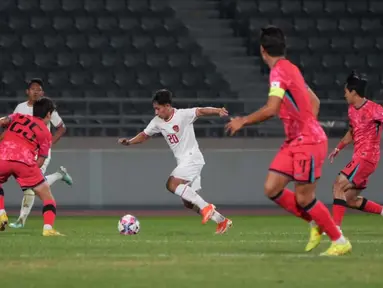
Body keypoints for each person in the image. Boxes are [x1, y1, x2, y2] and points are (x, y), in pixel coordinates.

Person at [225, 26, 351, 256]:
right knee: (272, 188)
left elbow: (272, 109)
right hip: (295, 140)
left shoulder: (279, 73)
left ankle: (339, 240)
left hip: (308, 141)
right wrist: (304, 122)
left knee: (304, 197)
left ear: (262, 51)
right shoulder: (291, 68)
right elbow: (315, 101)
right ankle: (316, 223)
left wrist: (243, 120)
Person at [118, 89, 232, 234]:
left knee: (171, 184)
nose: (156, 112)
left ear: (167, 106)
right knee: (188, 202)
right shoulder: (157, 122)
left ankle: (206, 207)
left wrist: (218, 111)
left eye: (158, 108)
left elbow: (201, 111)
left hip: (192, 158)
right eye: (155, 109)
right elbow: (144, 135)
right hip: (184, 162)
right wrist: (129, 142)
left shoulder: (183, 115)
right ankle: (221, 221)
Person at [307, 72, 383, 247]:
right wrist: (338, 148)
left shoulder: (375, 110)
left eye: (346, 91)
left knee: (338, 185)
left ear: (354, 92)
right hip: (360, 158)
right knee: (349, 199)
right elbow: (352, 132)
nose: (344, 95)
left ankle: (336, 231)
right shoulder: (351, 110)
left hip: (367, 157)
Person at [5, 79, 73, 229]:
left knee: (32, 186)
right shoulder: (20, 108)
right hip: (23, 151)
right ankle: (59, 175)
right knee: (36, 185)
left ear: (42, 93)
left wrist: (48, 144)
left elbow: (61, 127)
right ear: (27, 92)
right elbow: (11, 127)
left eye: (39, 89)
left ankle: (21, 220)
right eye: (33, 88)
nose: (36, 91)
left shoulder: (47, 108)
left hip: (40, 151)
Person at [0, 97, 64, 236]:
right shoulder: (46, 134)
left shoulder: (18, 116)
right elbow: (40, 160)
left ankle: (1, 212)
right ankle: (48, 229)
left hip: (3, 156)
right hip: (25, 161)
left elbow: (3, 121)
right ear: (49, 114)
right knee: (48, 197)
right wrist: (31, 175)